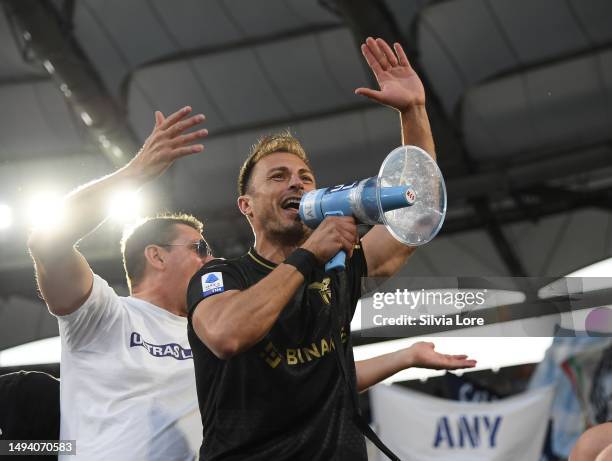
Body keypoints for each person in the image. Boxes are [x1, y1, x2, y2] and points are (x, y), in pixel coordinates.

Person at [187, 37, 476, 460]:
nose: (297, 183)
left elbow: (419, 211)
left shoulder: (339, 268)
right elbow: (228, 335)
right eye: (278, 176)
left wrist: (413, 110)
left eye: (305, 176)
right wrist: (309, 256)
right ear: (246, 206)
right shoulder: (222, 277)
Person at [28, 106, 211, 461]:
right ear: (156, 256)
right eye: (199, 249)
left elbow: (326, 373)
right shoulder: (105, 313)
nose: (209, 261)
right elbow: (46, 243)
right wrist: (135, 174)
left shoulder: (217, 335)